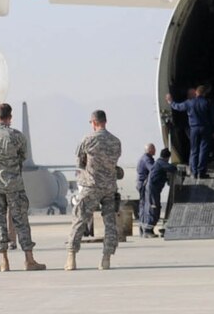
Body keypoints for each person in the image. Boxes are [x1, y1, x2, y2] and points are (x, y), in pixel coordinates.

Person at [0, 103, 44, 272]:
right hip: (14, 184)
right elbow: (23, 156)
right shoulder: (17, 136)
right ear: (10, 117)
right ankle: (29, 259)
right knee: (21, 221)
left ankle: (4, 261)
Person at [67, 109, 123, 272]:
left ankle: (71, 257)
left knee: (79, 220)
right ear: (105, 121)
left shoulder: (88, 140)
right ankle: (106, 259)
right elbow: (114, 163)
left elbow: (80, 163)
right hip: (109, 188)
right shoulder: (116, 141)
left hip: (90, 186)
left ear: (94, 122)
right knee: (110, 223)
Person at [166, 85, 214, 179]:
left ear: (196, 93)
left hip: (193, 129)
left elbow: (178, 107)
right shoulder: (208, 102)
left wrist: (171, 102)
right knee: (203, 150)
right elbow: (212, 118)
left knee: (194, 150)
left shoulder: (189, 102)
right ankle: (201, 172)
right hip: (205, 128)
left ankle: (194, 172)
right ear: (204, 93)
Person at [136, 143, 160, 234]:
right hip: (144, 184)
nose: (155, 150)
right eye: (154, 149)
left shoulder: (145, 158)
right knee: (147, 206)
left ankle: (142, 228)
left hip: (140, 183)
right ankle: (146, 228)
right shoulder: (147, 159)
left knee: (142, 206)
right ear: (150, 150)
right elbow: (153, 170)